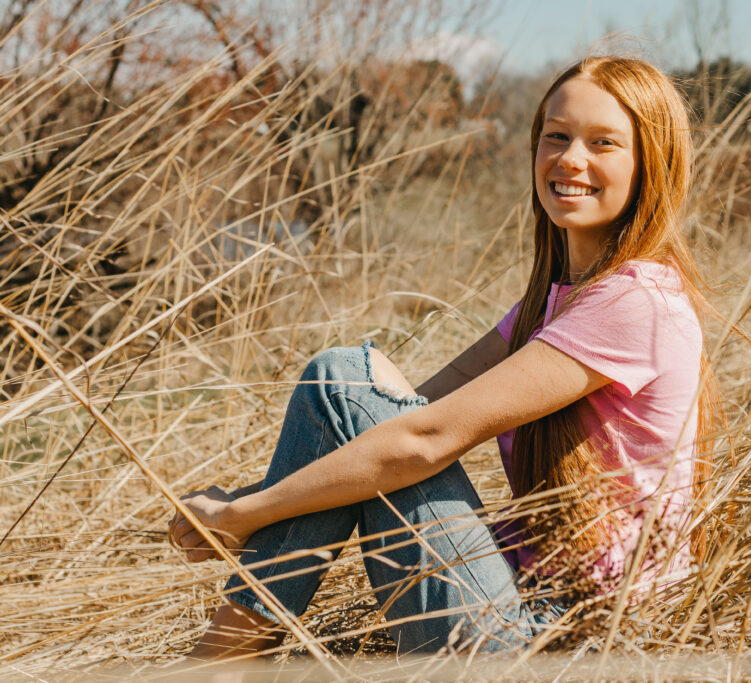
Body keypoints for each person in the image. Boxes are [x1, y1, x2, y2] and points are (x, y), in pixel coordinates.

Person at [168, 55, 719, 661]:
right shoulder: (558, 301)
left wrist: (243, 513)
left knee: (343, 378)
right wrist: (240, 504)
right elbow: (394, 418)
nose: (570, 159)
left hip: (572, 643)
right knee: (347, 379)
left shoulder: (637, 301)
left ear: (651, 164)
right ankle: (226, 656)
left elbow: (425, 438)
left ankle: (220, 659)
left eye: (604, 143)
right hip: (522, 608)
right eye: (555, 136)